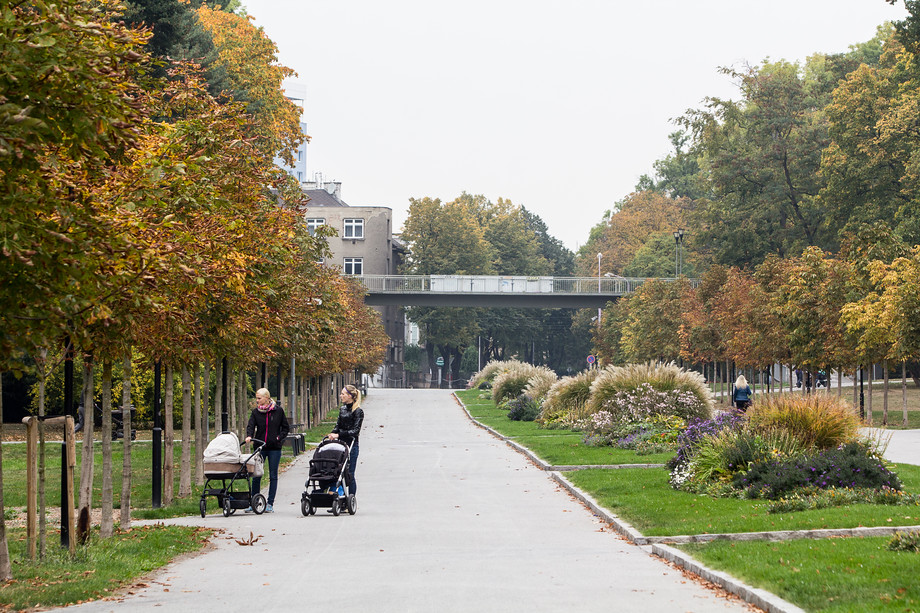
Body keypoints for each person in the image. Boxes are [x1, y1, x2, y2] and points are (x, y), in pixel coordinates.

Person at [245, 388, 290, 513]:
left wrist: (279, 438)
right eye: (256, 398)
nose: (257, 401)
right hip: (260, 447)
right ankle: (254, 502)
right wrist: (249, 436)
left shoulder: (278, 411)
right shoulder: (256, 412)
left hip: (274, 448)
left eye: (259, 398)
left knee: (273, 475)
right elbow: (251, 425)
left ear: (266, 398)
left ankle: (270, 503)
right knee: (256, 475)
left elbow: (285, 428)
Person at [328, 384, 364, 497]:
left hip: (352, 444)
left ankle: (351, 498)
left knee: (350, 473)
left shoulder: (358, 411)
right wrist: (332, 434)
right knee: (339, 471)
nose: (341, 396)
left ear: (350, 396)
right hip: (340, 445)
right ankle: (341, 496)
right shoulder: (342, 409)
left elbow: (355, 431)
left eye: (343, 394)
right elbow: (338, 425)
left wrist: (339, 434)